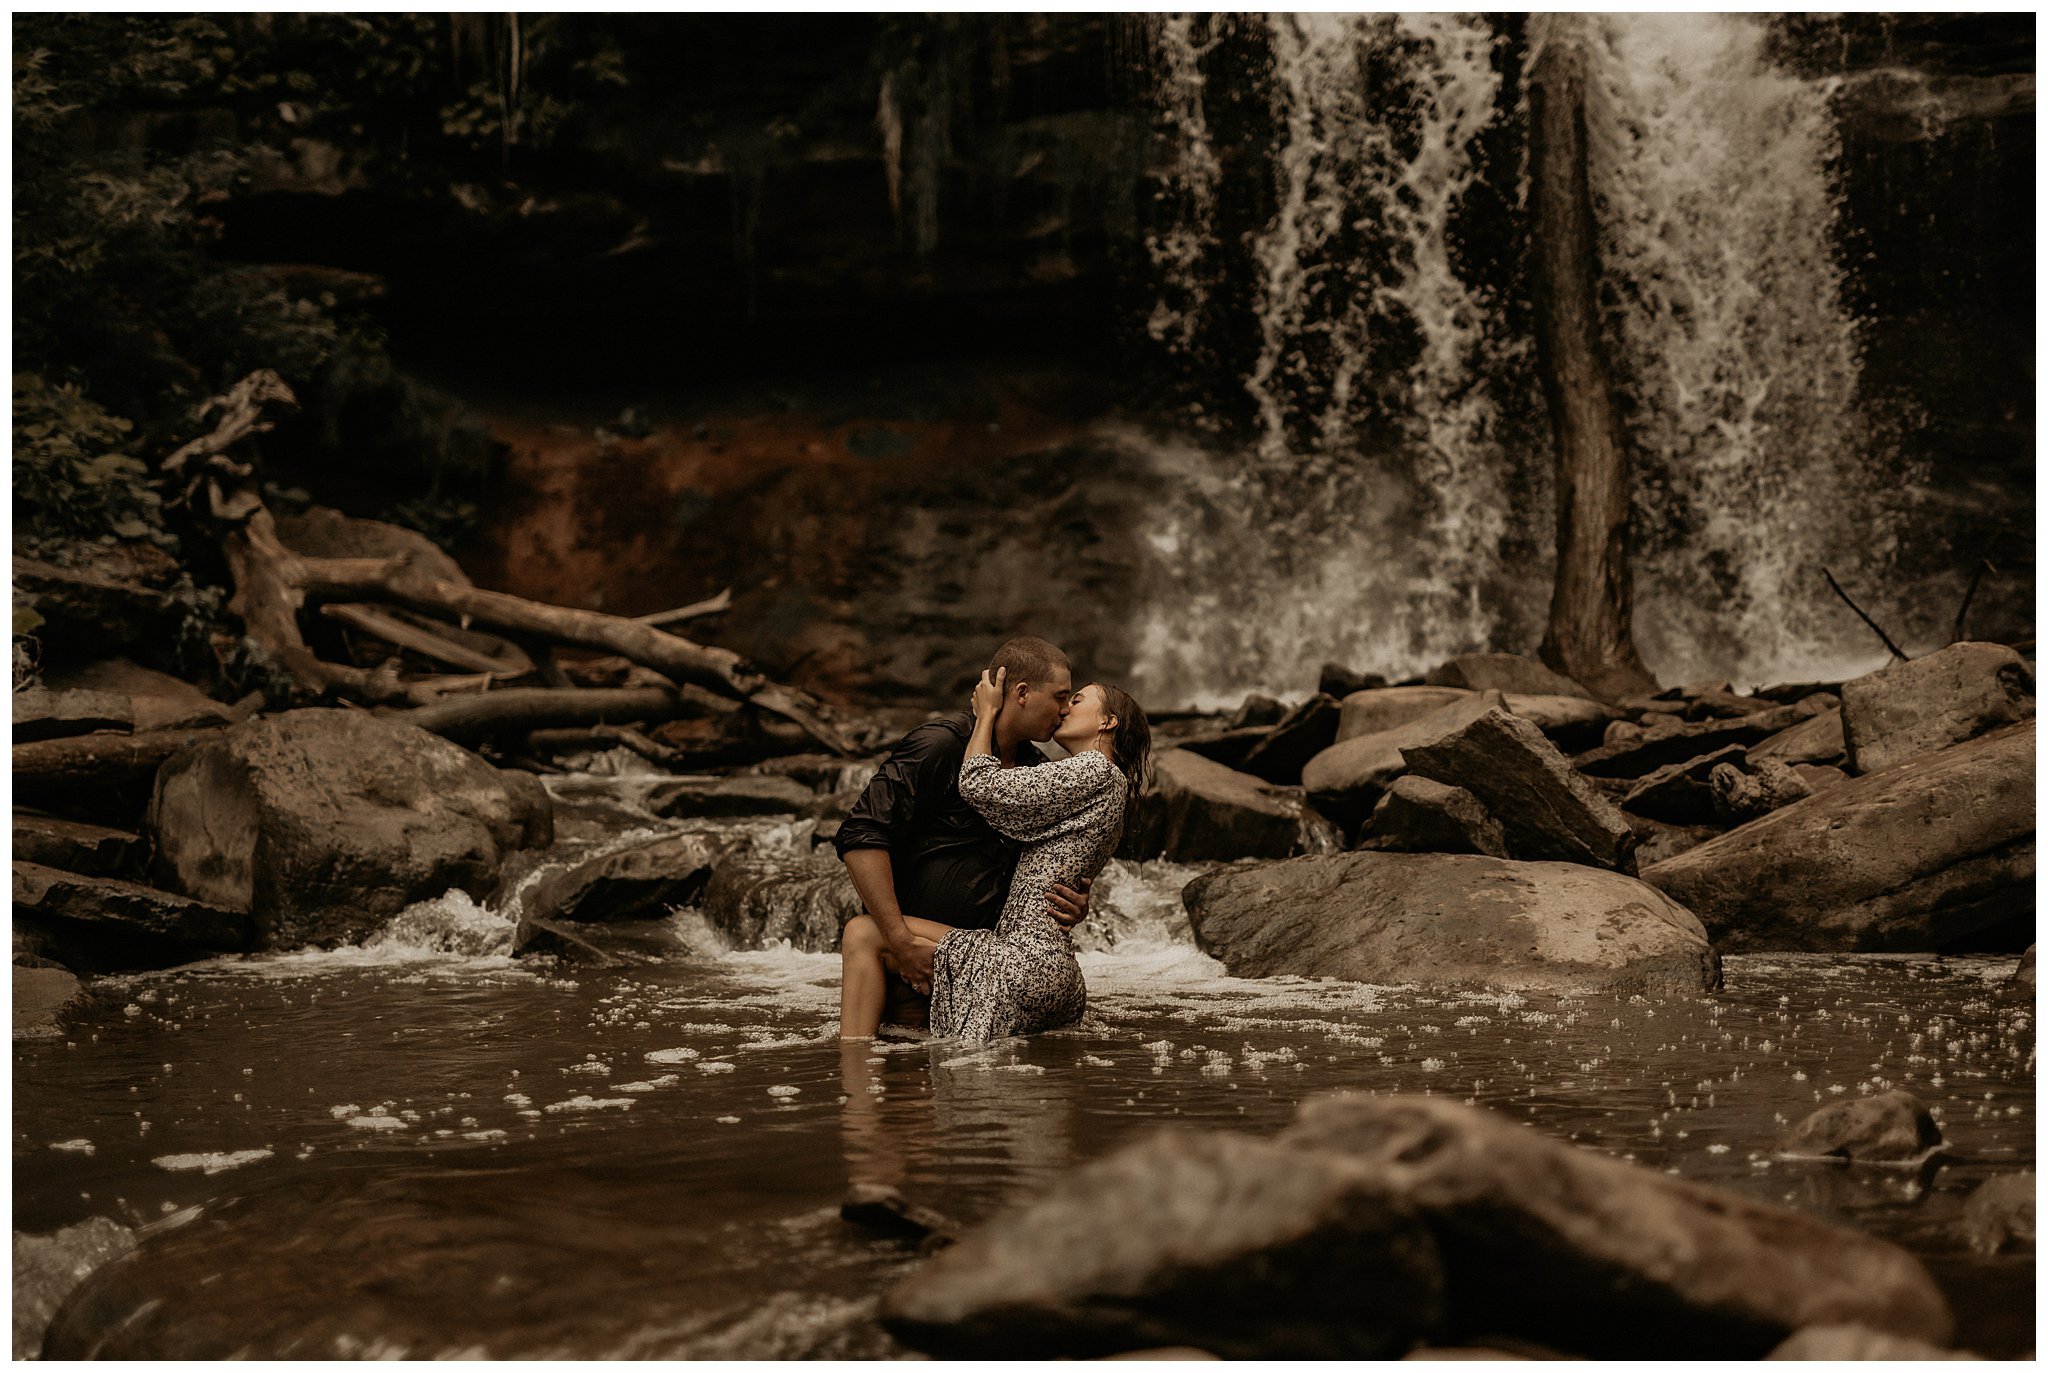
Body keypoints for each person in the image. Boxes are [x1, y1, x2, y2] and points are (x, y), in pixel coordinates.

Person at [835, 636, 1092, 1037]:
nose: (1064, 711)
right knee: (894, 1082)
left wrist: (1073, 903)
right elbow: (862, 838)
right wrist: (900, 942)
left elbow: (1051, 858)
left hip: (982, 972)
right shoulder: (938, 746)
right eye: (1060, 696)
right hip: (909, 966)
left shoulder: (1035, 767)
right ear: (1021, 693)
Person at [926, 666, 1150, 1041]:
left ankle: (856, 1070)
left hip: (1027, 961)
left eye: (1075, 700)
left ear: (1107, 722)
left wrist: (985, 716)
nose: (1063, 710)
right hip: (1054, 969)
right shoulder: (1108, 783)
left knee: (868, 934)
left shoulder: (1094, 769)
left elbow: (980, 783)